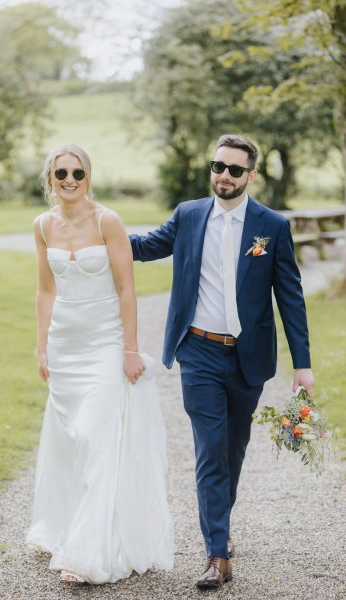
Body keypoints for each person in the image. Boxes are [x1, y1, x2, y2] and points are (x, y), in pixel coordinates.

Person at [130, 134, 314, 589]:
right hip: (199, 352)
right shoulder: (189, 215)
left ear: (251, 175)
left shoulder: (270, 225)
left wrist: (303, 364)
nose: (224, 176)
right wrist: (94, 226)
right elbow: (145, 246)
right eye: (218, 166)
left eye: (234, 169)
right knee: (210, 452)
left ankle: (221, 523)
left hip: (248, 358)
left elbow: (289, 296)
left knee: (232, 449)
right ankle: (216, 554)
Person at [26, 143, 174, 585]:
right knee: (69, 439)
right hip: (65, 345)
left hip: (105, 343)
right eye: (61, 173)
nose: (69, 181)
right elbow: (45, 290)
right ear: (50, 178)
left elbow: (127, 289)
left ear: (87, 177)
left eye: (77, 173)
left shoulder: (107, 220)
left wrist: (130, 349)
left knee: (95, 437)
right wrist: (41, 346)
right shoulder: (41, 225)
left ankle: (89, 552)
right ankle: (62, 528)